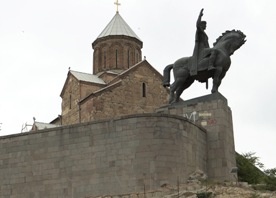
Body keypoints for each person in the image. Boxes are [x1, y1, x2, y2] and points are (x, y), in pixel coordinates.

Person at [191, 9, 216, 76]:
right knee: (214, 51)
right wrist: (200, 16)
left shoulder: (204, 33)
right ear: (201, 25)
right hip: (201, 50)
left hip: (205, 49)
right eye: (204, 25)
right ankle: (210, 66)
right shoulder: (199, 30)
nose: (206, 26)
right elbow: (197, 25)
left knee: (213, 50)